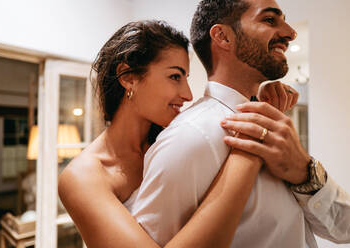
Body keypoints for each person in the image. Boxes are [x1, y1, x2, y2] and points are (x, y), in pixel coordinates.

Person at [129, 0, 350, 248]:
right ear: (223, 36)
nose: (290, 33)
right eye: (269, 19)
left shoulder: (274, 124)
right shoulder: (188, 137)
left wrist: (305, 171)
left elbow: (344, 229)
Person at [58, 20, 297, 248]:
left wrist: (257, 101)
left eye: (186, 77)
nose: (187, 94)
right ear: (128, 77)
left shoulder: (176, 139)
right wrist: (251, 146)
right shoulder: (83, 177)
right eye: (175, 76)